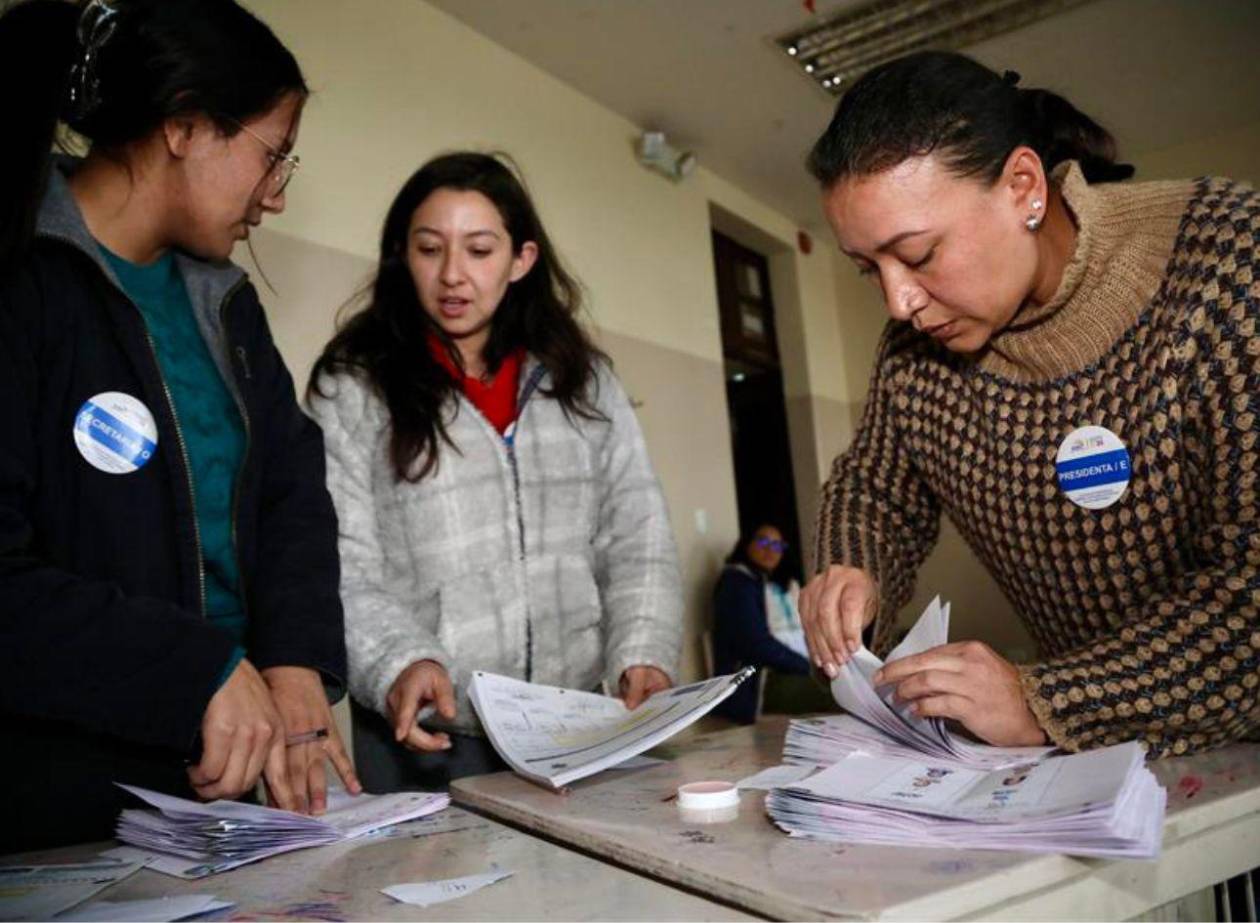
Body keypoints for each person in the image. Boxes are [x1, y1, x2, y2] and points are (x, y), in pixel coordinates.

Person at [798, 49, 1260, 759]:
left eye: (918, 255)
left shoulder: (1228, 264)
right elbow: (876, 490)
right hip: (1116, 754)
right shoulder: (916, 355)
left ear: (1022, 186)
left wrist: (1049, 700)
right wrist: (853, 569)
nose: (899, 301)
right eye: (870, 270)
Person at [0, 0, 358, 852]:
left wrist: (296, 656)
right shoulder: (27, 283)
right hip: (69, 807)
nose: (275, 197)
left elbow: (291, 494)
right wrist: (191, 668)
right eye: (272, 156)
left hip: (235, 794)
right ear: (186, 126)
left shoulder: (223, 306)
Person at [308, 152, 683, 790]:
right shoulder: (355, 385)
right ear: (403, 254)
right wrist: (401, 661)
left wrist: (643, 651)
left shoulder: (582, 381)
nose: (453, 276)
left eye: (479, 250)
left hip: (575, 726)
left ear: (521, 260)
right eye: (430, 249)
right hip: (430, 735)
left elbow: (637, 532)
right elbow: (338, 562)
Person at [712, 524, 831, 723]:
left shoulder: (763, 582)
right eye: (763, 542)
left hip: (779, 671)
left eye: (777, 546)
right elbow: (757, 645)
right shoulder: (737, 584)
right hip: (756, 685)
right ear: (746, 544)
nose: (770, 550)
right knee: (835, 698)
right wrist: (806, 667)